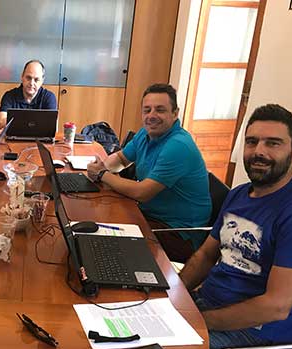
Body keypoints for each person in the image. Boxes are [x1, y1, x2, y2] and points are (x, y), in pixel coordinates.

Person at [179, 104, 292, 349]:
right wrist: (173, 298)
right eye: (252, 141)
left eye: (273, 143)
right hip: (207, 306)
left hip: (251, 338)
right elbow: (206, 254)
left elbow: (275, 307)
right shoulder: (239, 195)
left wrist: (198, 321)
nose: (259, 151)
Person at [87, 83, 211, 262]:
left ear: (175, 113)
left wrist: (103, 174)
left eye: (160, 110)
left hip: (178, 233)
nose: (151, 115)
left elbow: (142, 192)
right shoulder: (145, 134)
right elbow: (121, 159)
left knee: (104, 243)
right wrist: (102, 166)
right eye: (147, 110)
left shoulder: (178, 145)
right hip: (150, 215)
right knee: (98, 224)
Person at [0, 59, 57, 127]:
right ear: (22, 77)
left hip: (39, 134)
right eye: (28, 78)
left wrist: (17, 120)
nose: (31, 83)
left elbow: (53, 125)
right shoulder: (9, 96)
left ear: (42, 81)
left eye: (36, 80)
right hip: (16, 133)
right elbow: (2, 122)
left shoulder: (49, 97)